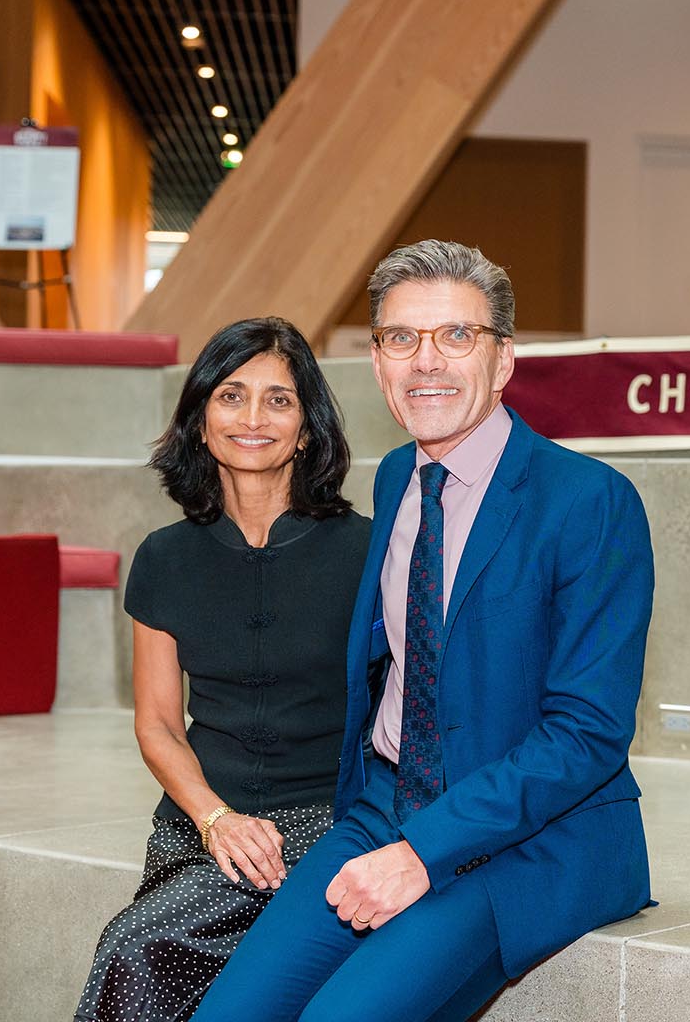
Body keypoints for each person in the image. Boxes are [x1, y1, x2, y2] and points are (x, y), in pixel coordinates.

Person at [191, 240, 656, 1021]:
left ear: (503, 359)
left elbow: (587, 734)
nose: (426, 362)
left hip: (523, 842)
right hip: (384, 805)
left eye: (456, 336)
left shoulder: (589, 502)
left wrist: (422, 854)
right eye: (402, 338)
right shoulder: (397, 478)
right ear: (377, 364)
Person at [75, 318, 372, 1022]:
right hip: (202, 823)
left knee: (136, 948)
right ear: (200, 418)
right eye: (232, 396)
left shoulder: (367, 551)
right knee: (149, 949)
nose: (253, 418)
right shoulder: (164, 557)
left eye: (279, 400)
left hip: (327, 822)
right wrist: (216, 820)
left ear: (308, 429)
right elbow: (156, 723)